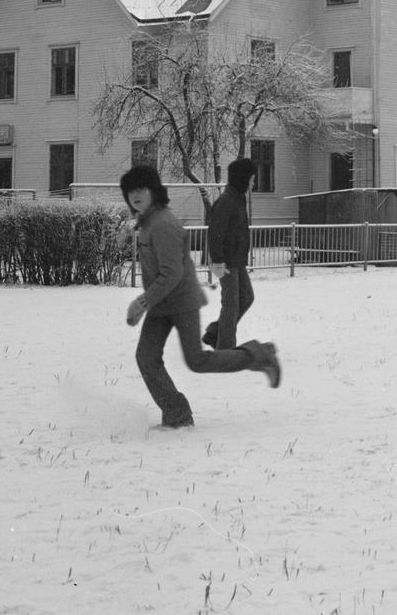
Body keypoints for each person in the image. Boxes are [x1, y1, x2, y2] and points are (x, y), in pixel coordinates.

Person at [120, 165, 281, 429]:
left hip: (180, 302)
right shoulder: (149, 220)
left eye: (141, 190)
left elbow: (171, 274)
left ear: (154, 192)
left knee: (196, 360)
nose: (135, 196)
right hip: (163, 303)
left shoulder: (162, 224)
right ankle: (177, 415)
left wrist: (141, 303)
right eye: (130, 192)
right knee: (146, 358)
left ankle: (259, 355)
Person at [202, 157, 257, 350]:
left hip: (237, 261)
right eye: (251, 178)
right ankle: (225, 348)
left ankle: (215, 334)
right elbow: (215, 233)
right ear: (243, 178)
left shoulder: (238, 199)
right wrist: (217, 261)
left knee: (246, 298)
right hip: (226, 262)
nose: (253, 182)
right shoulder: (226, 201)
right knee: (231, 304)